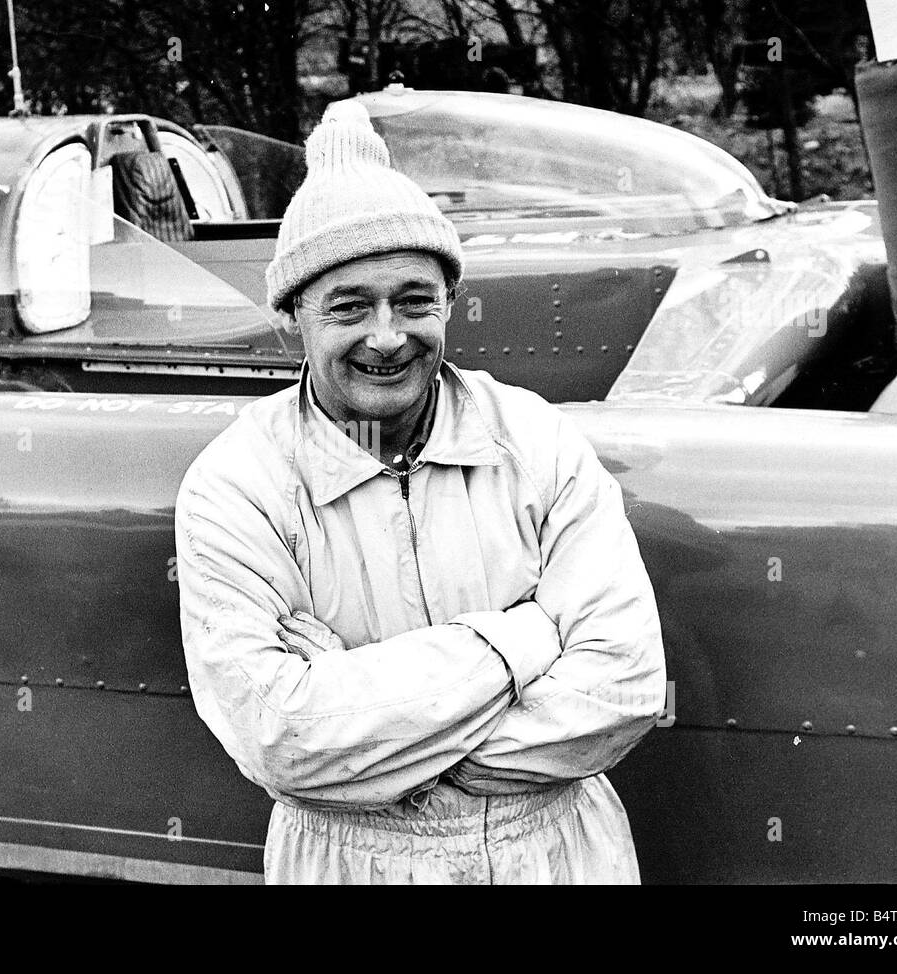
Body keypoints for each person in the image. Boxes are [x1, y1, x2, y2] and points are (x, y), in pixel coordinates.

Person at [174, 100, 666, 885]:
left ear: (448, 302)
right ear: (292, 318)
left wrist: (373, 736)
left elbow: (623, 689)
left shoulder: (535, 441)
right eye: (349, 306)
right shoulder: (238, 485)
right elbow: (280, 738)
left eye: (414, 300)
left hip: (556, 855)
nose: (386, 336)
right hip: (351, 865)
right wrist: (525, 641)